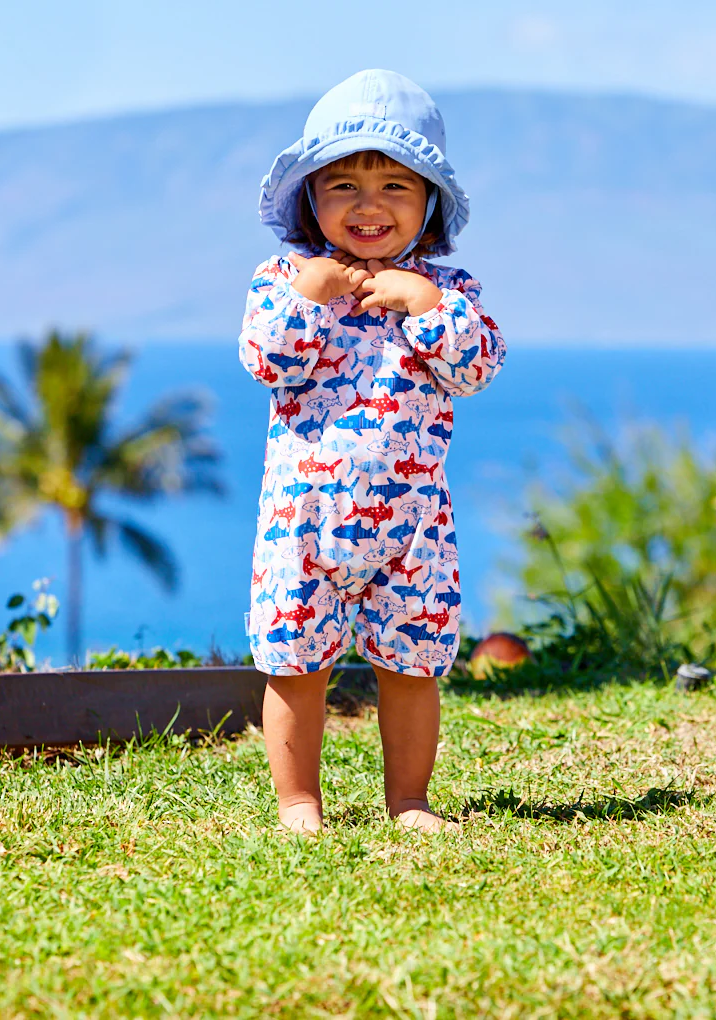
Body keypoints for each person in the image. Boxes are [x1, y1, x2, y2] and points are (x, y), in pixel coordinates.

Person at [238, 69, 506, 834]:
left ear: (429, 203)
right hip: (304, 524)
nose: (368, 205)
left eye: (395, 186)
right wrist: (309, 296)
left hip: (412, 527)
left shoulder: (447, 290)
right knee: (296, 665)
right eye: (343, 185)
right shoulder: (284, 279)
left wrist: (426, 304)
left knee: (412, 667)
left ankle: (409, 800)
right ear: (309, 199)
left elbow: (477, 367)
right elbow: (266, 359)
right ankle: (299, 802)